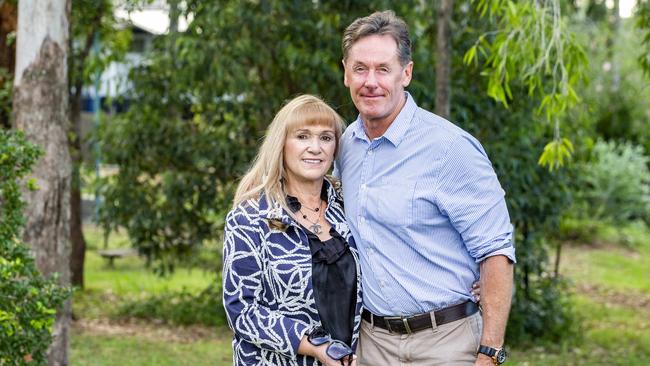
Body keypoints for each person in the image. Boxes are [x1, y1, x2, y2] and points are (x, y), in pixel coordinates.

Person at [334, 10, 516, 366]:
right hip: (371, 344)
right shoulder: (343, 148)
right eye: (360, 68)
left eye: (383, 69)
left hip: (446, 343)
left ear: (407, 73)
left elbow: (496, 251)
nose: (371, 81)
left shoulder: (451, 149)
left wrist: (490, 353)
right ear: (345, 72)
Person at [222, 95, 362, 366]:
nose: (315, 148)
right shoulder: (250, 217)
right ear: (282, 145)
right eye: (302, 136)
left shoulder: (347, 209)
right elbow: (241, 310)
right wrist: (316, 346)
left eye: (325, 138)